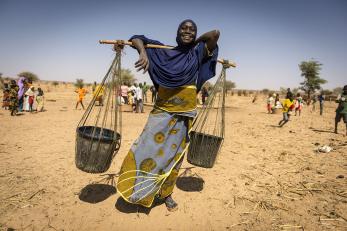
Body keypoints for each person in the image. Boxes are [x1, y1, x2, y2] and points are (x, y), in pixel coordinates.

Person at [116, 19, 219, 211]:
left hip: (184, 116)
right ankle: (139, 191)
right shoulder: (162, 51)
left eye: (192, 30)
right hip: (161, 113)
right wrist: (143, 51)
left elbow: (214, 34)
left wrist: (195, 44)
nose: (187, 31)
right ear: (177, 31)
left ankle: (166, 194)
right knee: (145, 149)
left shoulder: (197, 53)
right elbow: (137, 38)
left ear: (196, 35)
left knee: (175, 157)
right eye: (184, 28)